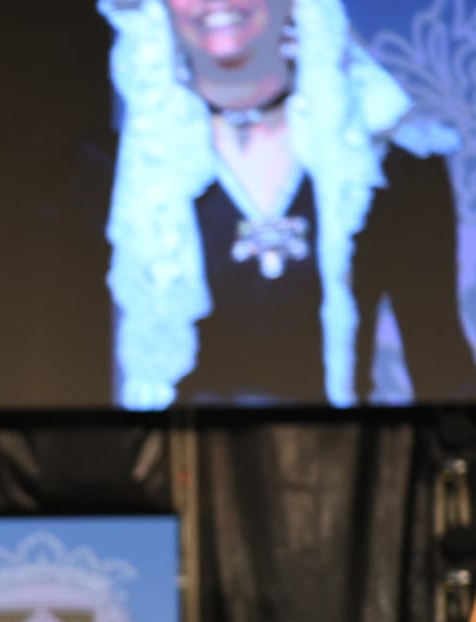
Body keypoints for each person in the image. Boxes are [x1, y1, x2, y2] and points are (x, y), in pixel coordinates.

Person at [102, 0, 475, 408]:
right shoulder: (124, 178)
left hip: (348, 461)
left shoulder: (388, 162)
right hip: (186, 465)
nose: (216, 2)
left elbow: (439, 362)